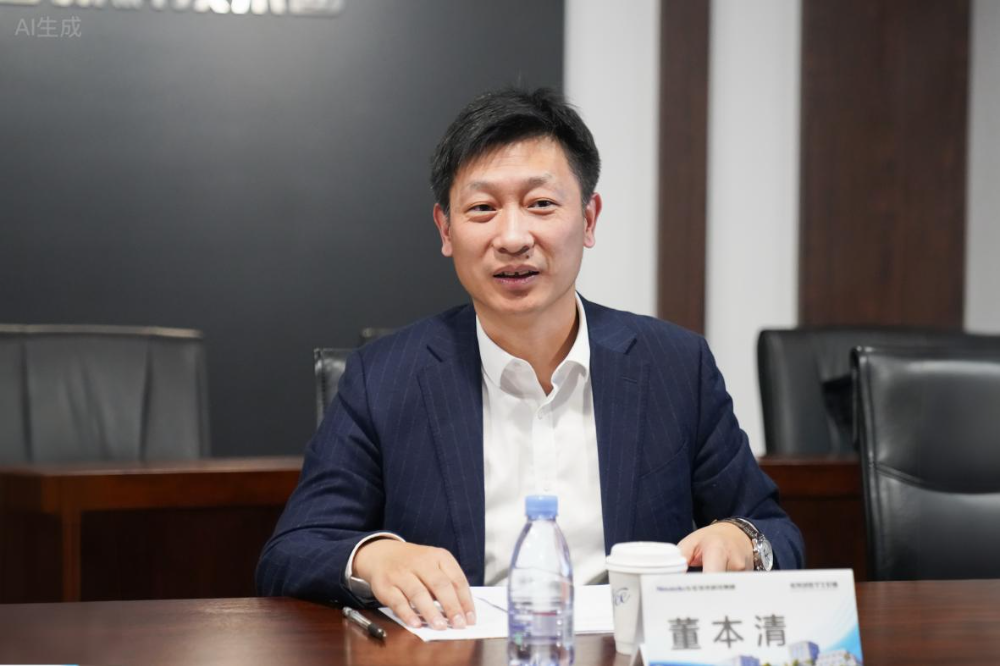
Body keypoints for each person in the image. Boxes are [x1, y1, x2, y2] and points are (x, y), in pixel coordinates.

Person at [256, 87, 804, 631]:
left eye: (541, 204)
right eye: (482, 209)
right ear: (446, 230)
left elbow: (775, 532)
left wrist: (742, 540)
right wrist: (375, 556)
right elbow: (291, 552)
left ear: (589, 219)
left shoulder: (675, 366)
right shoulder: (384, 377)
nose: (514, 238)